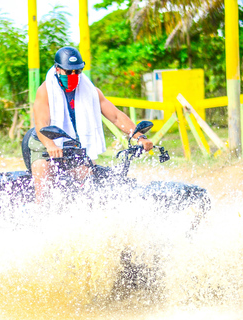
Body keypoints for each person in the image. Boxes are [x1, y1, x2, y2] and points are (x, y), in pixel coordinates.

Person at [29, 46, 154, 203]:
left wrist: (139, 136)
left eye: (77, 71)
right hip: (44, 143)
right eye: (68, 72)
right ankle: (41, 214)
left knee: (90, 184)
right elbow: (41, 122)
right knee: (43, 177)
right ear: (57, 69)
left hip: (73, 144)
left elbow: (116, 116)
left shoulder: (91, 91)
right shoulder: (45, 91)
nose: (73, 75)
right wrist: (50, 145)